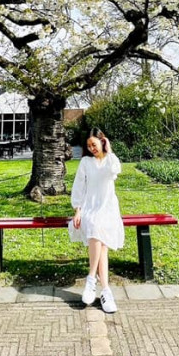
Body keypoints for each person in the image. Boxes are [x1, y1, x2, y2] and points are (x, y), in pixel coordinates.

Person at [68, 129, 124, 314]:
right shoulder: (86, 162)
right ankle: (104, 290)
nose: (91, 148)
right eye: (88, 145)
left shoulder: (110, 161)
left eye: (94, 144)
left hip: (107, 208)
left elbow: (117, 169)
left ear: (102, 142)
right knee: (95, 231)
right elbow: (79, 186)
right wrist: (78, 210)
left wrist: (109, 150)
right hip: (90, 207)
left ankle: (92, 279)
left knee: (99, 235)